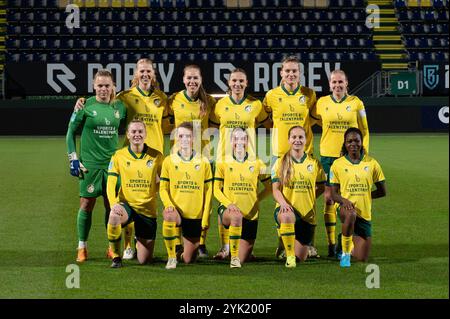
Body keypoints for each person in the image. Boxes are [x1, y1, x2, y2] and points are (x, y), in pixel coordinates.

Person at [74, 58, 169, 260]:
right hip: (129, 159)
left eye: (148, 71)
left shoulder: (162, 98)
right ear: (136, 74)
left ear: (153, 74)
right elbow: (102, 103)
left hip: (154, 159)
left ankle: (155, 242)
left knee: (150, 202)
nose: (145, 74)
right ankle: (126, 246)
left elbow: (169, 124)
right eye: (141, 71)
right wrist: (81, 101)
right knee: (129, 201)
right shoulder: (124, 98)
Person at [209, 68, 271, 260]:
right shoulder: (220, 105)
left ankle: (242, 246)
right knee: (225, 200)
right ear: (229, 83)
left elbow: (267, 123)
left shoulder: (255, 105)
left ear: (246, 83)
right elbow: (211, 126)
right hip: (224, 158)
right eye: (234, 81)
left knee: (245, 196)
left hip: (248, 159)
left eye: (241, 81)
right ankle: (225, 246)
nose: (237, 84)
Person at [66, 69, 127, 263]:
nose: (103, 89)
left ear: (112, 87)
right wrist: (73, 158)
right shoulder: (85, 105)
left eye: (107, 86)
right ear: (94, 86)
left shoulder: (120, 107)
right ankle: (82, 246)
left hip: (112, 166)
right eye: (99, 85)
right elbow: (70, 132)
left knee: (112, 206)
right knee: (86, 204)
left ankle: (111, 247)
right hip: (89, 166)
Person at [262, 55, 318, 259]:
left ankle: (308, 242)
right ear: (281, 73)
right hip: (281, 155)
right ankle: (282, 241)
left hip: (305, 153)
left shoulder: (309, 95)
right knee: (281, 199)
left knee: (307, 196)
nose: (291, 74)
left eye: (294, 71)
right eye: (287, 71)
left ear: (300, 73)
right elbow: (266, 119)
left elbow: (313, 120)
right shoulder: (271, 95)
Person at [310, 69, 370, 258]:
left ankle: (347, 236)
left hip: (351, 157)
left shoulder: (356, 102)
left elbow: (365, 130)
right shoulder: (321, 103)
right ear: (329, 85)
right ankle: (331, 244)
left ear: (346, 84)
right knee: (329, 198)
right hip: (329, 156)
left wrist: (363, 152)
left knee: (348, 197)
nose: (337, 85)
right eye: (334, 83)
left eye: (340, 82)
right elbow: (312, 122)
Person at [167, 64, 217, 259]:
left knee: (205, 201)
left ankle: (202, 242)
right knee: (178, 198)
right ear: (183, 79)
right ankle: (178, 242)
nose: (192, 81)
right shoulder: (173, 100)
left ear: (201, 79)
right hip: (178, 159)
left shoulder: (210, 102)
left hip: (203, 158)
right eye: (189, 78)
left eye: (195, 78)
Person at [106, 119, 163, 268]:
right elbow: (111, 182)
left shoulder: (156, 156)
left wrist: (155, 191)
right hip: (127, 205)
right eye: (133, 132)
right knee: (113, 216)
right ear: (128, 135)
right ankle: (117, 257)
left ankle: (139, 240)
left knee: (144, 261)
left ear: (145, 134)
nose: (137, 134)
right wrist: (113, 204)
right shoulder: (119, 155)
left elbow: (164, 182)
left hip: (147, 209)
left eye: (140, 131)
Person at [213, 127, 272, 268]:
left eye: (243, 139)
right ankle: (232, 256)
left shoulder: (257, 162)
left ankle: (240, 252)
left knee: (244, 257)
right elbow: (215, 189)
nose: (239, 142)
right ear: (231, 141)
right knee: (235, 216)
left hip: (251, 215)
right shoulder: (223, 162)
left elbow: (270, 188)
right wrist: (228, 204)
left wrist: (257, 199)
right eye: (236, 139)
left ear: (247, 142)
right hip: (229, 211)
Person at [159, 122, 213, 269]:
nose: (184, 139)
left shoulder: (203, 162)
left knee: (189, 259)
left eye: (188, 136)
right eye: (181, 136)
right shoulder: (168, 161)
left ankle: (181, 253)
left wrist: (205, 216)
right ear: (176, 137)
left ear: (193, 138)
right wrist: (169, 205)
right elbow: (162, 189)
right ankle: (171, 256)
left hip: (195, 215)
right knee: (169, 215)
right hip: (175, 211)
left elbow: (209, 191)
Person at [329, 127, 386, 267]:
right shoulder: (337, 164)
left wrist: (366, 195)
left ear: (362, 142)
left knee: (362, 258)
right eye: (349, 141)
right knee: (351, 214)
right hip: (344, 209)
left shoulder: (372, 163)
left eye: (356, 140)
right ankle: (345, 254)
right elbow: (333, 194)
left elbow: (382, 191)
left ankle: (343, 241)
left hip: (364, 214)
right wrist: (344, 200)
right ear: (345, 144)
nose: (353, 144)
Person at [271, 126, 326, 268]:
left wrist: (310, 197)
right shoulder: (280, 162)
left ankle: (284, 242)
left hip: (307, 215)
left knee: (302, 256)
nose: (297, 140)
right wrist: (283, 203)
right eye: (294, 137)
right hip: (286, 211)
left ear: (306, 140)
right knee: (288, 216)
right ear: (289, 140)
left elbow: (322, 186)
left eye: (301, 137)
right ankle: (290, 257)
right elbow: (275, 190)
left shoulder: (314, 164)